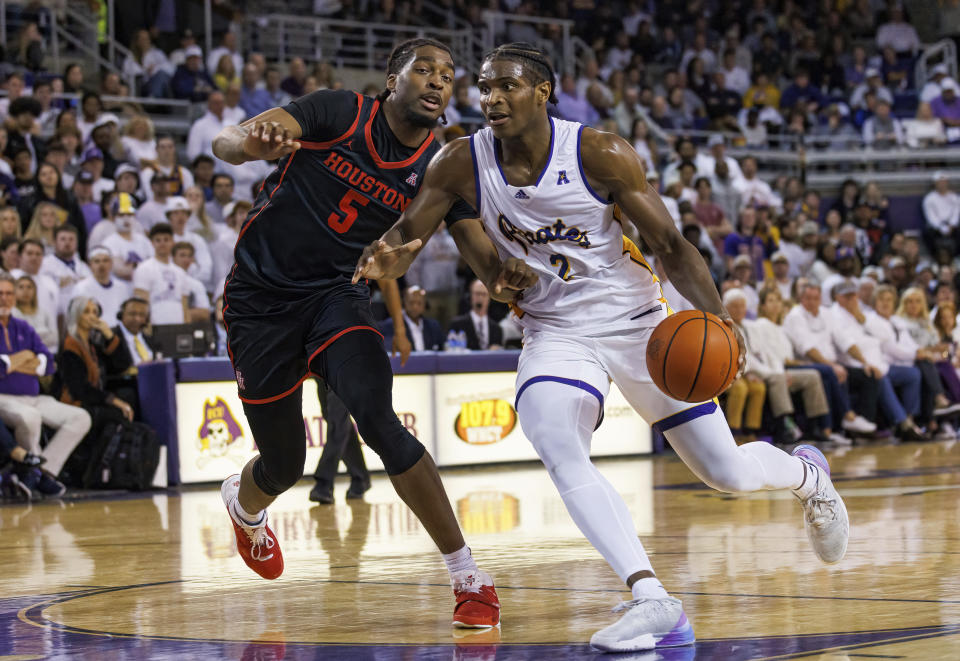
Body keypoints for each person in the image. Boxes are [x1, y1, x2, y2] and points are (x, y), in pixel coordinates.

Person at [355, 42, 850, 653]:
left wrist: (719, 317)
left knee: (727, 474)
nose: (491, 98)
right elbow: (410, 231)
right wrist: (388, 255)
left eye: (506, 85)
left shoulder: (599, 152)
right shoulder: (461, 160)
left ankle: (808, 476)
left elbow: (669, 243)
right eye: (483, 87)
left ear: (543, 91)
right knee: (556, 441)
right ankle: (653, 599)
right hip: (554, 329)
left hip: (638, 321)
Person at [211, 38, 532, 627]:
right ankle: (246, 504)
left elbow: (483, 261)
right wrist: (252, 142)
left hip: (338, 295)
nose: (438, 82)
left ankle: (468, 576)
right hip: (260, 303)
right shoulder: (339, 111)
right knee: (283, 465)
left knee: (378, 417)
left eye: (448, 75)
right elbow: (225, 142)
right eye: (424, 71)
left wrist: (508, 278)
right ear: (392, 79)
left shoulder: (441, 166)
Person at [0, 274, 92, 481]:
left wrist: (10, 364)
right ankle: (35, 474)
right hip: (3, 398)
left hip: (34, 397)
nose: (4, 298)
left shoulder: (23, 327)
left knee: (80, 417)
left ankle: (44, 472)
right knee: (29, 417)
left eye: (8, 293)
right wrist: (26, 357)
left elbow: (48, 364)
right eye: (0, 294)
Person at [132, 223, 189, 325]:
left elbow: (184, 305)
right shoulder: (144, 268)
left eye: (166, 239)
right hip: (155, 326)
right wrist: (146, 326)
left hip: (179, 326)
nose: (162, 243)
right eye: (158, 240)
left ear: (173, 241)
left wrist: (187, 327)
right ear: (152, 243)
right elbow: (141, 302)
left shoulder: (180, 272)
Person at [40, 225, 92, 316]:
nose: (67, 243)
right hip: (54, 314)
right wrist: (58, 282)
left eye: (71, 239)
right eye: (63, 239)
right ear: (54, 242)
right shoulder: (44, 265)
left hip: (80, 316)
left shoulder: (84, 268)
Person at [100, 194, 154, 280]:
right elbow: (120, 271)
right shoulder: (108, 243)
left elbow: (154, 267)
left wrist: (134, 266)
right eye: (121, 215)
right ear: (113, 217)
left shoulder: (144, 241)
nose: (126, 219)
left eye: (129, 214)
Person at [73, 245, 132, 324]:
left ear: (111, 263)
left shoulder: (122, 287)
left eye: (105, 261)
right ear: (90, 265)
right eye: (97, 261)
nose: (101, 265)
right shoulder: (81, 288)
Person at [380, 285, 444, 351]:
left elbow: (443, 350)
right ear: (404, 303)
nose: (415, 307)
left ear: (425, 305)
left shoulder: (433, 326)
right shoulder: (390, 325)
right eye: (411, 302)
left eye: (419, 303)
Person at [12, 275, 58, 353]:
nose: (25, 291)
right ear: (14, 291)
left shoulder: (44, 312)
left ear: (35, 291)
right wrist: (44, 333)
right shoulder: (12, 313)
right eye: (21, 287)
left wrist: (32, 338)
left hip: (46, 353)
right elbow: (19, 339)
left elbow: (54, 338)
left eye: (29, 287)